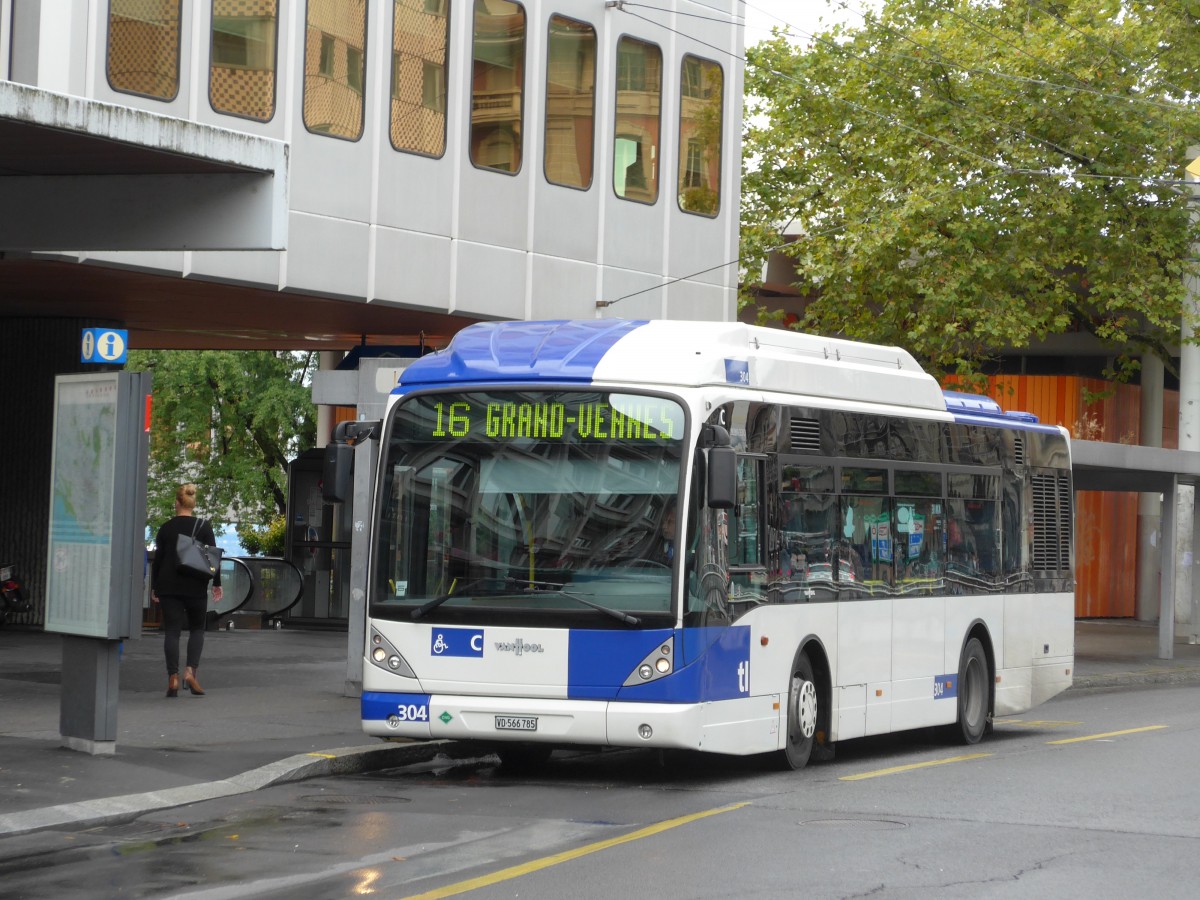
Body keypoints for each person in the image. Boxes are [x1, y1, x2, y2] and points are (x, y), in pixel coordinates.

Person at [151, 484, 223, 698]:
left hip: (169, 586)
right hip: (195, 585)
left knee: (172, 631)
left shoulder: (165, 528)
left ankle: (172, 677)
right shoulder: (204, 527)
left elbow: (158, 561)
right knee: (197, 630)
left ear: (177, 502)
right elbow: (213, 557)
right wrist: (216, 584)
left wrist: (155, 586)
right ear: (192, 504)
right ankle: (190, 672)